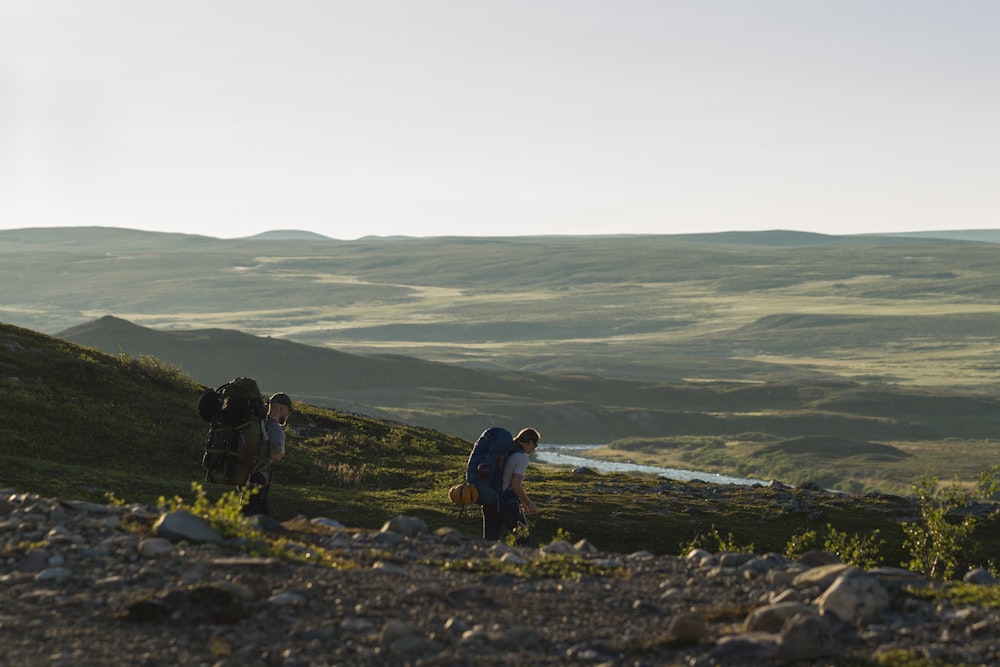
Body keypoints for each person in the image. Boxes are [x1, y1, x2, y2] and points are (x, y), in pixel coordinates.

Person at [482, 427, 540, 546]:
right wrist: (529, 503)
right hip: (508, 505)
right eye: (535, 444)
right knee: (523, 541)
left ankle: (486, 563)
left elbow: (503, 480)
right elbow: (515, 485)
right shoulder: (521, 458)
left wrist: (521, 501)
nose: (535, 448)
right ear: (529, 441)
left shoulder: (504, 453)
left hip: (490, 502)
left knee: (489, 542)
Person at [241, 392, 292, 517]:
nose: (288, 415)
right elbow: (276, 455)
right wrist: (281, 452)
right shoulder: (275, 428)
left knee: (262, 512)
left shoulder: (257, 422)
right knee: (247, 512)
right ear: (281, 409)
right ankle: (227, 532)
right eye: (288, 411)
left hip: (243, 473)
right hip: (258, 475)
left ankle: (269, 533)